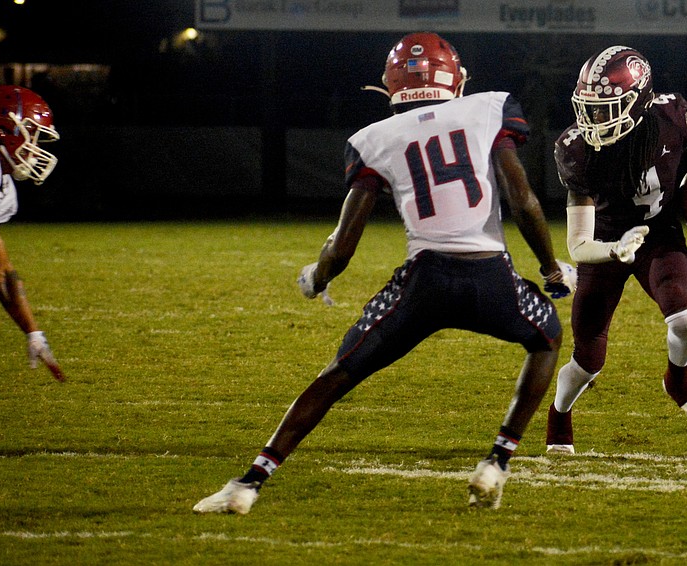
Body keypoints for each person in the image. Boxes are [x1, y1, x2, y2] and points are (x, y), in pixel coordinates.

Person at [194, 31, 575, 514]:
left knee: (338, 374)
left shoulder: (373, 139)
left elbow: (344, 243)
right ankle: (497, 462)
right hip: (490, 278)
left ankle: (249, 483)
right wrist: (550, 269)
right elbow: (523, 201)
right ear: (454, 77)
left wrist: (319, 276)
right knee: (546, 339)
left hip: (424, 282)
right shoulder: (489, 108)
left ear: (392, 85)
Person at [545, 46, 687, 454]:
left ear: (638, 102)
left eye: (607, 108)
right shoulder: (576, 150)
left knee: (684, 318)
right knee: (587, 360)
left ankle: (677, 380)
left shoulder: (671, 116)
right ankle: (559, 414)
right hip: (606, 241)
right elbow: (578, 245)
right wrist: (614, 249)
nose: (594, 120)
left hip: (659, 233)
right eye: (590, 108)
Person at [0, 85, 65, 382]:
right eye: (32, 134)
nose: (34, 146)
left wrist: (33, 332)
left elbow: (1, 272)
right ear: (8, 128)